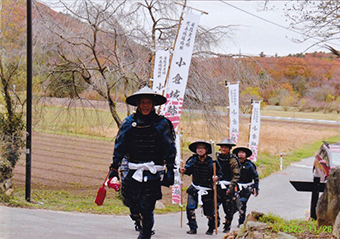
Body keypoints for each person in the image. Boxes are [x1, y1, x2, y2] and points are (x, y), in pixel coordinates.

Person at [108, 86, 177, 239]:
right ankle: (137, 218)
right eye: (142, 102)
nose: (145, 106)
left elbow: (170, 148)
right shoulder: (128, 122)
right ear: (138, 104)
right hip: (133, 170)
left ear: (153, 104)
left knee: (147, 206)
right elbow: (119, 147)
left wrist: (170, 170)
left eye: (148, 102)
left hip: (153, 171)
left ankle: (145, 234)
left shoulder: (162, 124)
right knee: (131, 203)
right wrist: (114, 169)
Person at [179, 140, 221, 235]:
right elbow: (188, 169)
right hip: (194, 188)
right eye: (198, 148)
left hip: (207, 190)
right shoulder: (192, 159)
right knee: (190, 208)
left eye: (202, 148)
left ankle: (211, 227)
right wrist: (183, 170)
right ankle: (193, 227)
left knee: (209, 213)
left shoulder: (212, 162)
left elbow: (219, 173)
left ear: (206, 150)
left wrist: (216, 177)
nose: (200, 150)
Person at [215, 138, 240, 233]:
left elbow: (236, 174)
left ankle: (227, 225)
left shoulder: (233, 160)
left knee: (229, 208)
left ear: (229, 149)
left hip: (228, 185)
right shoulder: (216, 157)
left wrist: (231, 186)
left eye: (225, 147)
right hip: (217, 184)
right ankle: (215, 221)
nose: (223, 149)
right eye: (222, 147)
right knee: (213, 205)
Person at [232, 146, 259, 227]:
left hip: (247, 187)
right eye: (239, 153)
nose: (241, 155)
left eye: (243, 153)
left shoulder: (250, 165)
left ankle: (241, 222)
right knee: (233, 204)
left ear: (246, 155)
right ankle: (228, 221)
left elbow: (256, 177)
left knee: (242, 203)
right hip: (236, 185)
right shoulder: (234, 163)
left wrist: (256, 188)